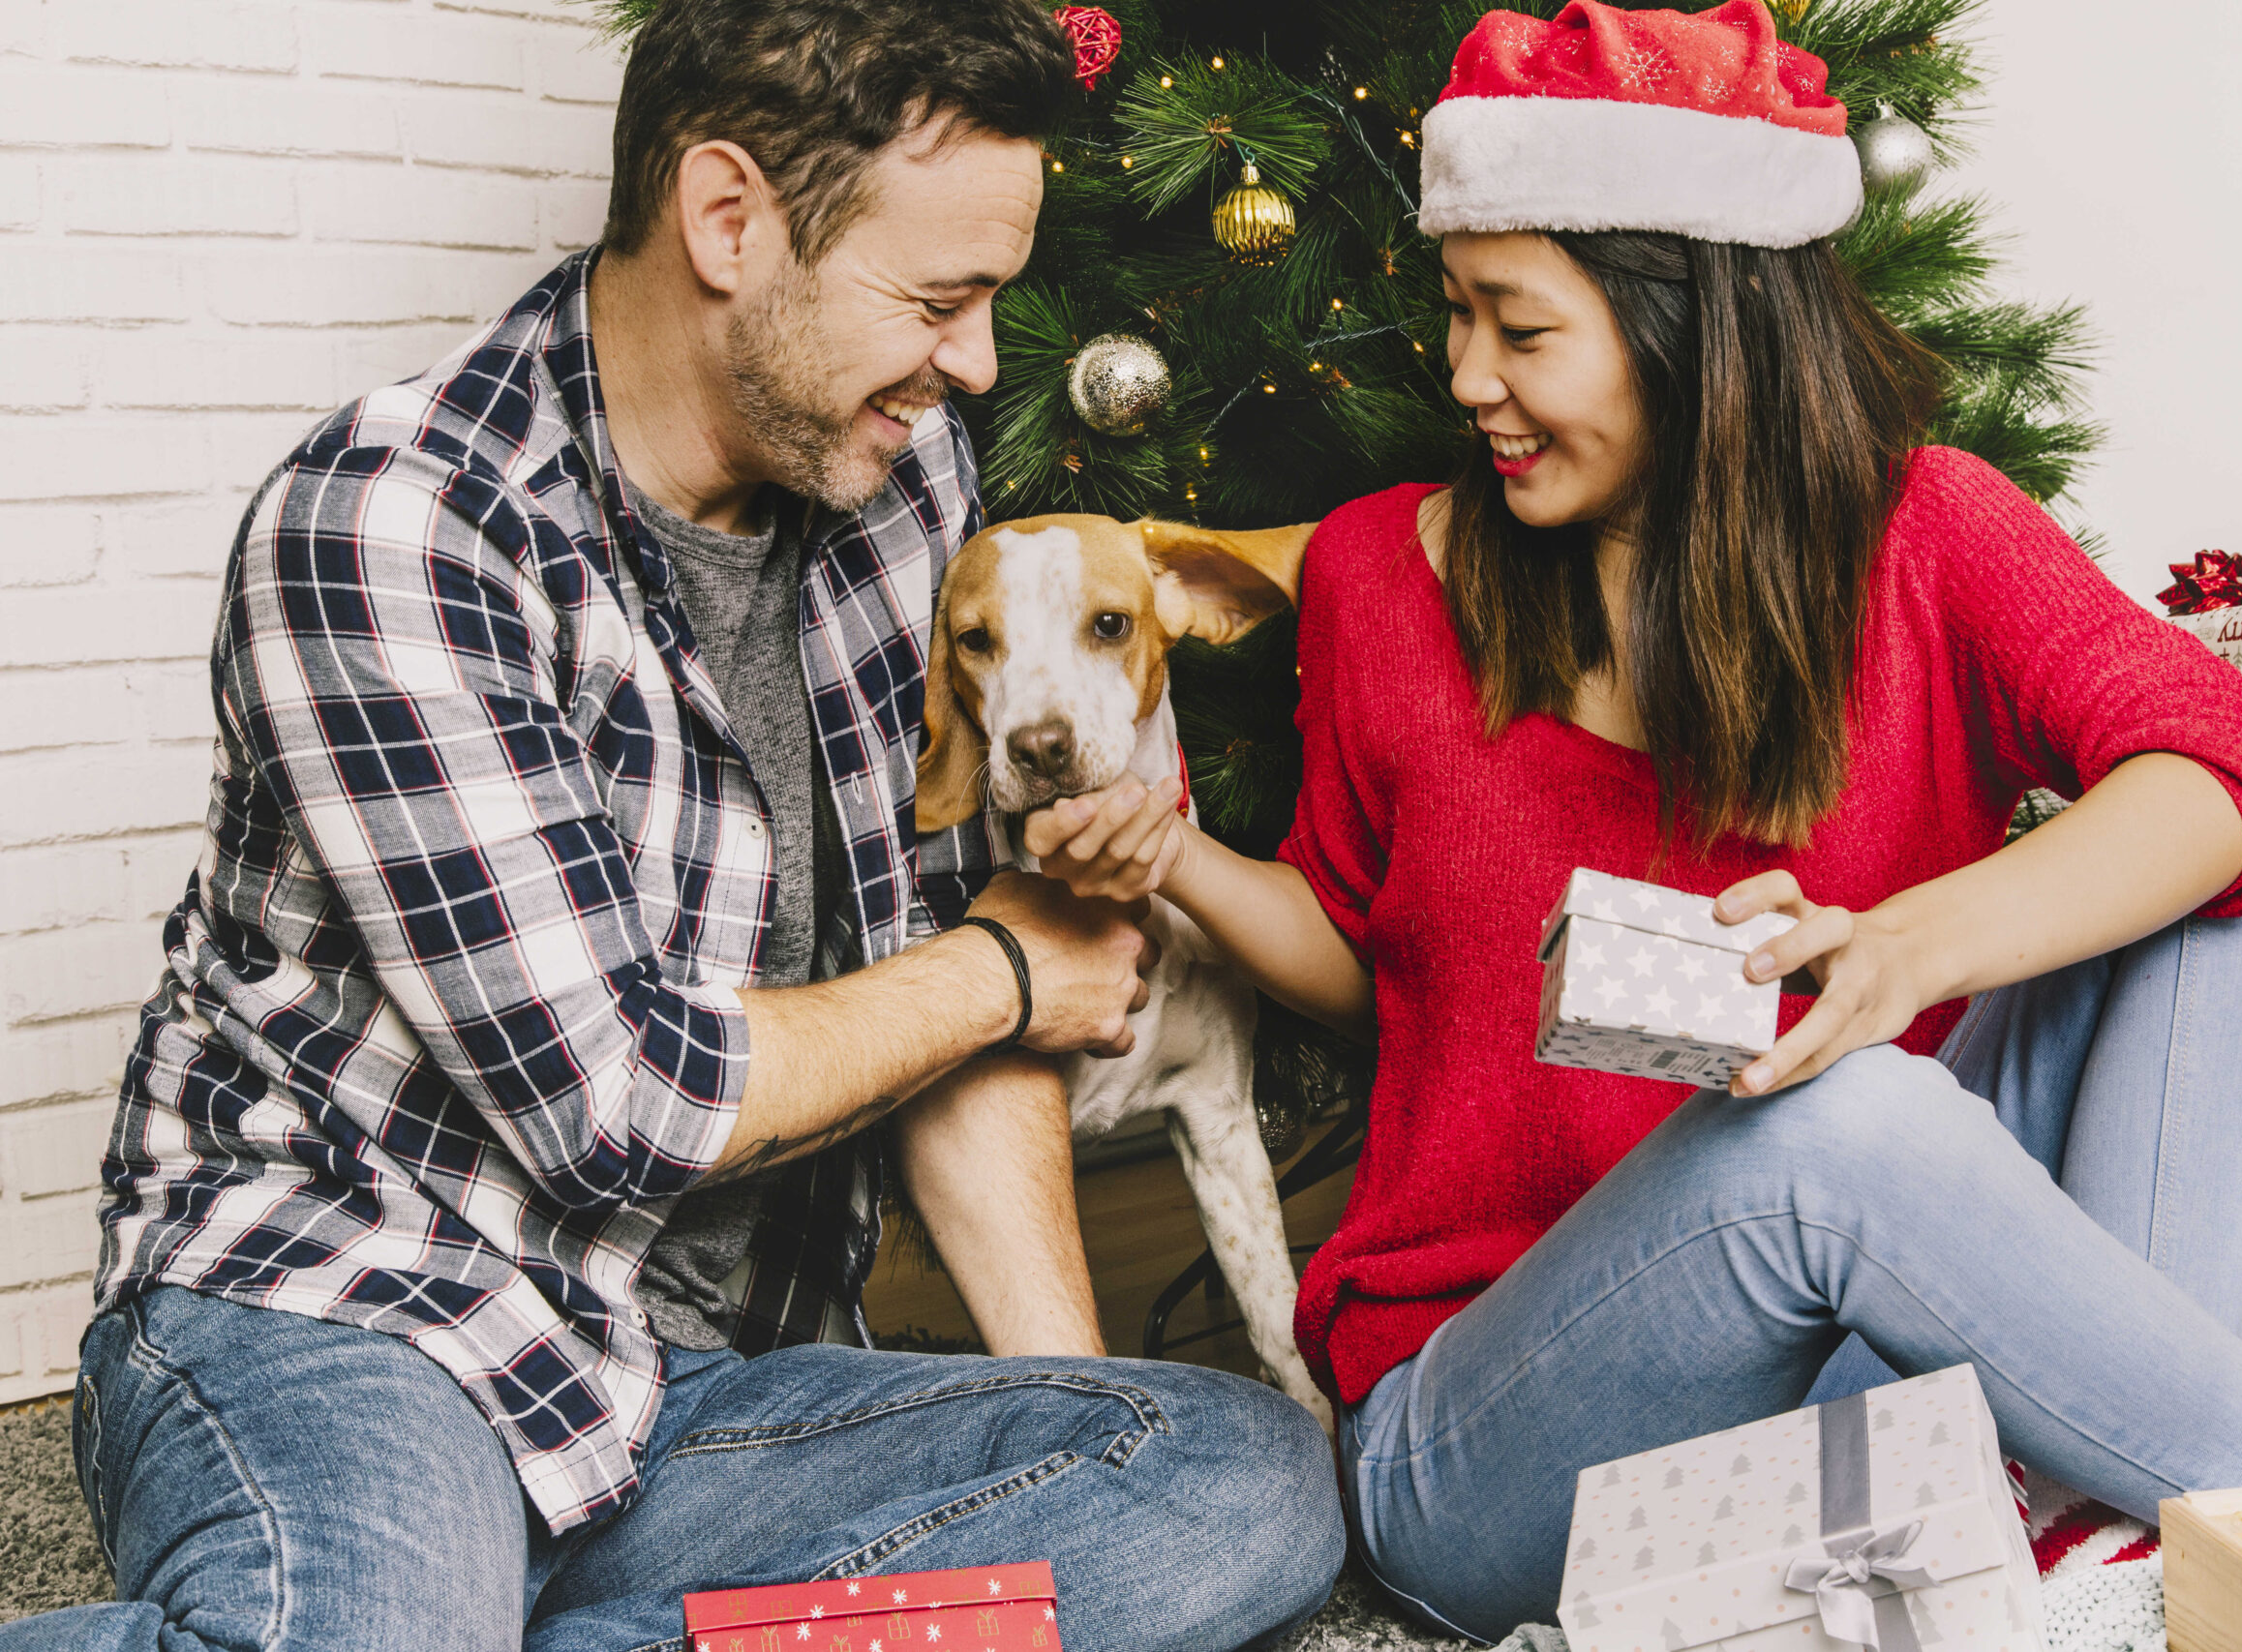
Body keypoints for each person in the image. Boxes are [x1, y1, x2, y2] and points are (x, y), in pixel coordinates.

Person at [1023, 0, 2242, 1639]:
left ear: (1691, 324)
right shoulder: (1377, 573)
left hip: (1852, 1365)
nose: (1469, 376)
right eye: (1458, 315)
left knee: (2241, 877)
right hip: (1491, 1427)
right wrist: (1177, 854)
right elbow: (1365, 959)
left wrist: (1910, 947)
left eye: (1522, 328)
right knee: (1835, 1131)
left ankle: (2104, 1509)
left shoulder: (1926, 535)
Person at [5, 4, 1341, 1649]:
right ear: (729, 220)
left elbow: (936, 999)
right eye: (939, 300)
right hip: (356, 1307)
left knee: (1228, 1480)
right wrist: (1007, 973)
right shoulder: (399, 528)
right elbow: (621, 1107)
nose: (982, 364)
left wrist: (1067, 1410)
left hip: (697, 1386)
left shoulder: (902, 493)